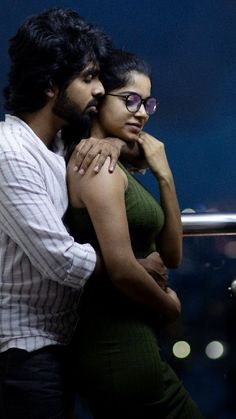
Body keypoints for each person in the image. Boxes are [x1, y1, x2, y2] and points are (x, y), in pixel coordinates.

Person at [0, 8, 167, 419]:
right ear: (51, 84)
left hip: (64, 344)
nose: (99, 90)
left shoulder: (59, 144)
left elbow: (130, 149)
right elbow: (60, 260)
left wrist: (111, 145)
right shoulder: (10, 151)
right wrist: (134, 267)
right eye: (88, 77)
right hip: (23, 353)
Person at [66, 49, 204, 419]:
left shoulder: (118, 160)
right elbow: (123, 269)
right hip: (115, 345)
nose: (142, 112)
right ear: (98, 99)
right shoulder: (98, 165)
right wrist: (169, 307)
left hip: (135, 343)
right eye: (130, 100)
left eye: (147, 103)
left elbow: (171, 255)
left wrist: (164, 175)